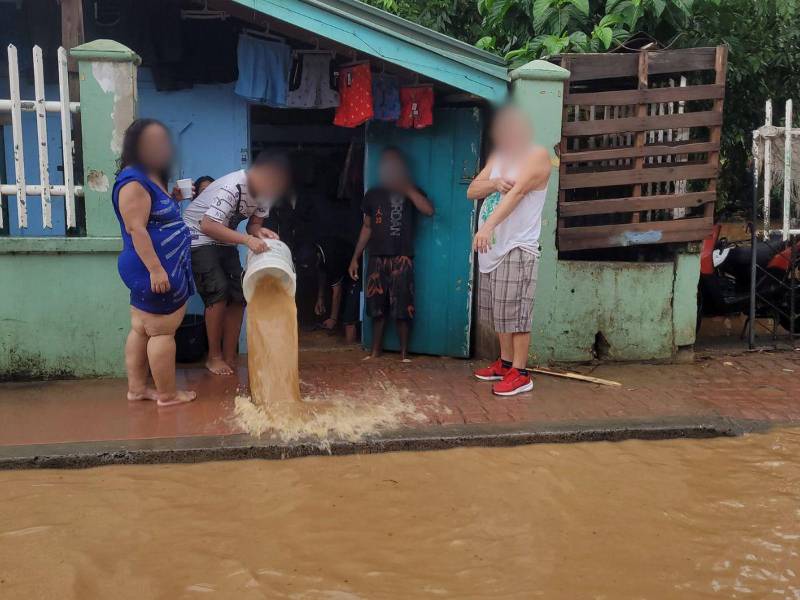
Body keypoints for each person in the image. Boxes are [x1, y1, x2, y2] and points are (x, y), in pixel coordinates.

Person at [468, 104, 552, 396]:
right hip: (494, 249)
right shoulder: (500, 157)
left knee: (516, 313)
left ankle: (521, 372)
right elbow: (472, 190)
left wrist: (487, 227)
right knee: (500, 312)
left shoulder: (538, 156)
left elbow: (517, 194)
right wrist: (493, 183)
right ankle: (504, 364)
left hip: (517, 246)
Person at [111, 118, 196, 407]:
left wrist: (172, 198)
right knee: (161, 331)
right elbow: (136, 228)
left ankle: (137, 390)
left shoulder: (148, 177)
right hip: (154, 268)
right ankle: (168, 395)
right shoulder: (134, 181)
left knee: (141, 328)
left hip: (157, 266)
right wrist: (157, 269)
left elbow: (154, 216)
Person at [183, 153, 290, 375]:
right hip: (197, 235)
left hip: (223, 236)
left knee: (239, 296)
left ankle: (230, 355)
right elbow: (207, 225)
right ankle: (213, 357)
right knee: (218, 292)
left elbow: (254, 224)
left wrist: (259, 232)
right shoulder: (234, 186)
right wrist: (247, 240)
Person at [348, 147, 434, 360]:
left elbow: (429, 210)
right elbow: (367, 227)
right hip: (377, 258)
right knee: (376, 308)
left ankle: (404, 354)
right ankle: (375, 351)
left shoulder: (412, 189)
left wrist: (406, 188)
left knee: (404, 308)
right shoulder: (373, 194)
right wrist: (355, 258)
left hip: (402, 258)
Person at [313, 236, 359, 340]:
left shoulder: (332, 258)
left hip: (355, 273)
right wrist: (320, 298)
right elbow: (321, 273)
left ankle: (350, 348)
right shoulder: (316, 251)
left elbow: (337, 292)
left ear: (318, 257)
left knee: (349, 317)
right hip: (342, 272)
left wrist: (333, 319)